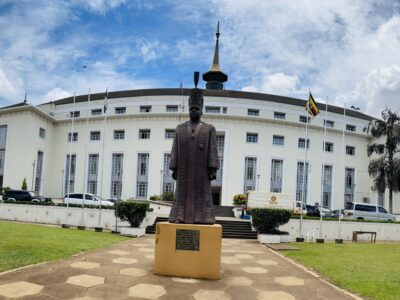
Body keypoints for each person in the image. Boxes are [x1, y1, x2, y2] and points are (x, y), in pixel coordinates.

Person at [168, 73, 219, 224]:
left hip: (201, 170)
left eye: (197, 109)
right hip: (184, 170)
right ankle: (179, 216)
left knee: (202, 194)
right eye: (192, 109)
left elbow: (213, 149)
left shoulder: (209, 128)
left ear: (201, 109)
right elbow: (175, 148)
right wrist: (174, 167)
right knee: (182, 193)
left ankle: (202, 218)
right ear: (189, 109)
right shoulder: (180, 128)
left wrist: (212, 168)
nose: (194, 111)